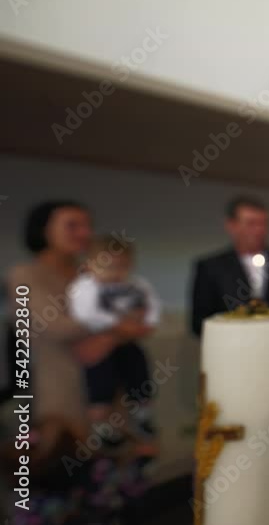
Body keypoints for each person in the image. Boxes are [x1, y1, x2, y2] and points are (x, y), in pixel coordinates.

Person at [4, 201, 150, 522]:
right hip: (58, 398)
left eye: (87, 225)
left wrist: (111, 334)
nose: (84, 233)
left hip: (105, 392)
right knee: (57, 485)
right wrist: (114, 326)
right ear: (44, 230)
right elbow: (51, 325)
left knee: (110, 490)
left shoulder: (92, 272)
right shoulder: (25, 275)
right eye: (72, 225)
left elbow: (136, 314)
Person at [68, 235, 161, 458]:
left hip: (128, 344)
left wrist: (147, 323)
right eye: (107, 267)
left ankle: (142, 414)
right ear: (90, 265)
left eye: (120, 266)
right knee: (100, 387)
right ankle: (102, 429)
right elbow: (86, 314)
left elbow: (153, 305)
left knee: (139, 375)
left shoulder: (137, 285)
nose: (114, 273)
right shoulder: (84, 287)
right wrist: (120, 323)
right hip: (99, 347)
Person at [190, 196, 269, 336]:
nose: (259, 231)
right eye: (251, 223)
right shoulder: (211, 267)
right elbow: (199, 322)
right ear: (231, 225)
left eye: (263, 224)